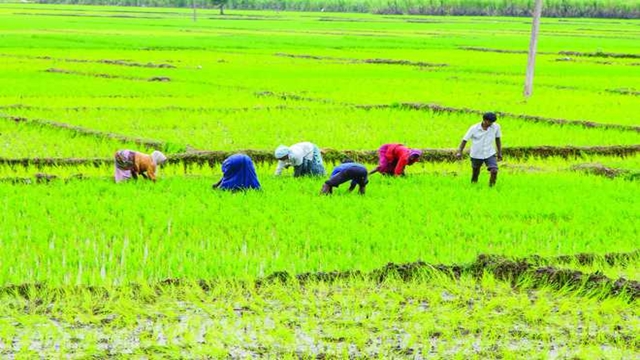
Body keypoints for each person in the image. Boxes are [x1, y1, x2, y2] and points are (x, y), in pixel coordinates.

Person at [456, 112, 502, 186]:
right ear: (484, 120)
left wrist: (499, 152)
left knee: (494, 171)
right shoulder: (474, 128)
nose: (491, 124)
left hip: (490, 153)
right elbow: (464, 140)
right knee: (475, 173)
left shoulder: (496, 127)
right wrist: (459, 152)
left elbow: (498, 139)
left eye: (492, 122)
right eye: (489, 122)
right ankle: (474, 186)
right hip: (476, 154)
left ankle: (491, 188)